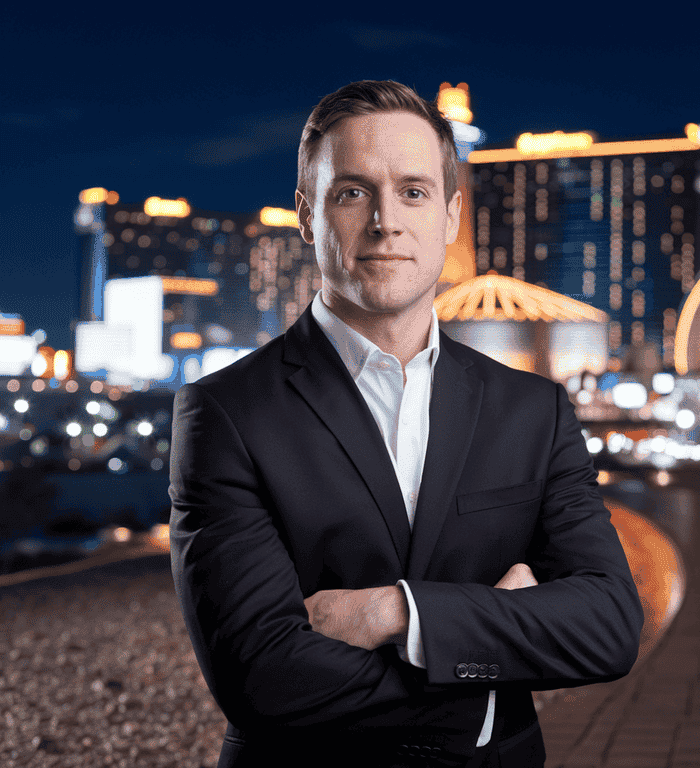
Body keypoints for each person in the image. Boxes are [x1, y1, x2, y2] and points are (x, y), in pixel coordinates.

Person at [168, 80, 644, 768]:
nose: (386, 221)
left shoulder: (532, 412)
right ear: (308, 216)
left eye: (413, 192)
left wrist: (394, 615)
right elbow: (261, 676)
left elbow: (609, 628)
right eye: (353, 192)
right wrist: (488, 670)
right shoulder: (228, 413)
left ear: (451, 216)